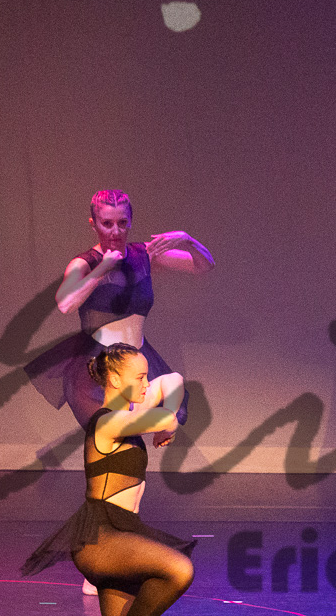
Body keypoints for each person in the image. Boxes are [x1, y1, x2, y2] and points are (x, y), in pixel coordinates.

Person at [21, 343, 197, 616]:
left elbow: (175, 381)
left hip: (122, 537)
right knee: (178, 570)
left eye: (146, 375)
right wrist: (168, 421)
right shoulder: (107, 421)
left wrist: (164, 406)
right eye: (139, 377)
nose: (146, 383)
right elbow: (167, 414)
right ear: (115, 379)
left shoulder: (128, 415)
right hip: (102, 538)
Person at [25, 188, 214, 446]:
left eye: (122, 223)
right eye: (107, 224)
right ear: (93, 224)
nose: (116, 231)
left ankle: (160, 429)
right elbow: (65, 304)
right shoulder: (85, 263)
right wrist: (102, 270)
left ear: (130, 222)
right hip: (99, 365)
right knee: (112, 439)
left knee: (164, 399)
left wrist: (187, 239)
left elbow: (203, 265)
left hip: (137, 359)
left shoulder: (143, 255)